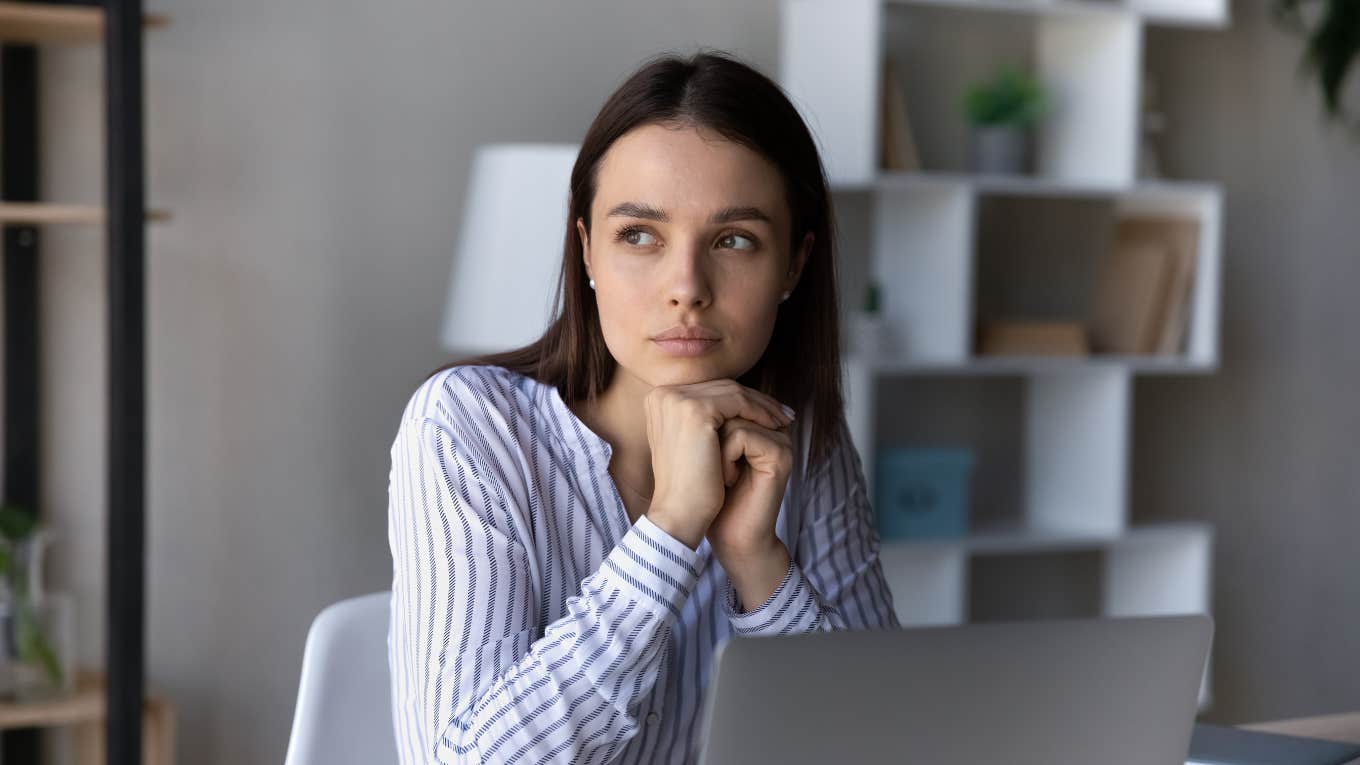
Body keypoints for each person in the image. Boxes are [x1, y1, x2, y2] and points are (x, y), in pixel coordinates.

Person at [387, 48, 900, 765]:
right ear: (587, 249)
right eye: (640, 235)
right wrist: (668, 531)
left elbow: (877, 739)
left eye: (734, 239)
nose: (686, 285)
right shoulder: (470, 426)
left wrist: (760, 562)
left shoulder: (802, 436)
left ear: (794, 263)